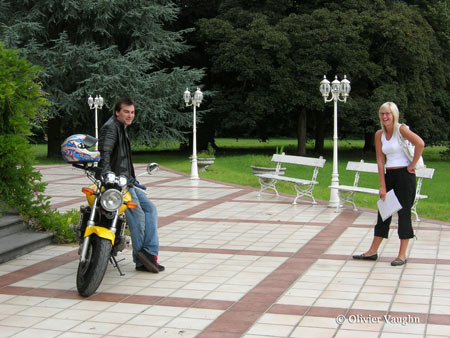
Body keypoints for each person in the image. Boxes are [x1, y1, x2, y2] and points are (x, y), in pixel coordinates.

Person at [97, 97, 164, 273]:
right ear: (117, 112)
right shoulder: (111, 128)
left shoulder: (121, 128)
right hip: (117, 183)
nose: (130, 115)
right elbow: (104, 152)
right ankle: (141, 259)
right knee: (138, 214)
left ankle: (149, 253)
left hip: (128, 181)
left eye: (132, 112)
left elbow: (123, 160)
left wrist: (132, 179)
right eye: (126, 111)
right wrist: (106, 174)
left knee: (150, 208)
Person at [353, 102, 424, 266]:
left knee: (404, 214)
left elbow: (420, 143)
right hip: (389, 175)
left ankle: (402, 255)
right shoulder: (379, 134)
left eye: (388, 114)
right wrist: (382, 185)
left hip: (405, 177)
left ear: (394, 115)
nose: (385, 117)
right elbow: (380, 160)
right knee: (383, 213)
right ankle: (372, 251)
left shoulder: (401, 130)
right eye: (382, 113)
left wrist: (412, 165)